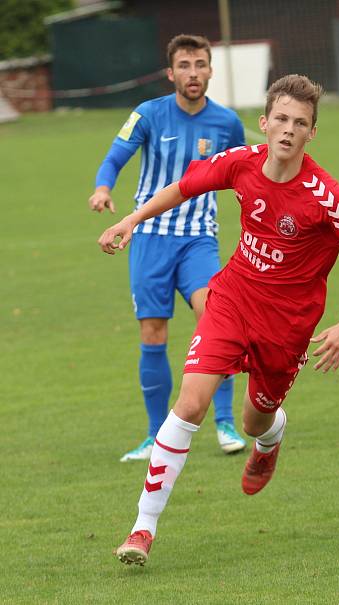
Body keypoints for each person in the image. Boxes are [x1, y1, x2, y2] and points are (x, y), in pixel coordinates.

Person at [98, 74, 339, 566]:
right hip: (231, 300)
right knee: (190, 405)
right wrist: (131, 219)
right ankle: (142, 530)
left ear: (312, 133)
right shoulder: (241, 163)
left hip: (288, 327)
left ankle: (269, 439)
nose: (288, 130)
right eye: (281, 119)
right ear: (264, 123)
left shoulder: (326, 197)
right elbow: (182, 188)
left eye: (300, 123)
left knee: (257, 417)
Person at [89, 34, 248, 461]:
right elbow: (115, 157)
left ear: (211, 70)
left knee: (216, 317)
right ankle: (156, 434)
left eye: (200, 64)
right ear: (171, 72)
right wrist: (103, 188)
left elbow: (244, 175)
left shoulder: (227, 123)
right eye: (184, 65)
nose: (193, 74)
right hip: (150, 241)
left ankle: (225, 423)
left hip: (198, 239)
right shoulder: (147, 114)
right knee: (153, 332)